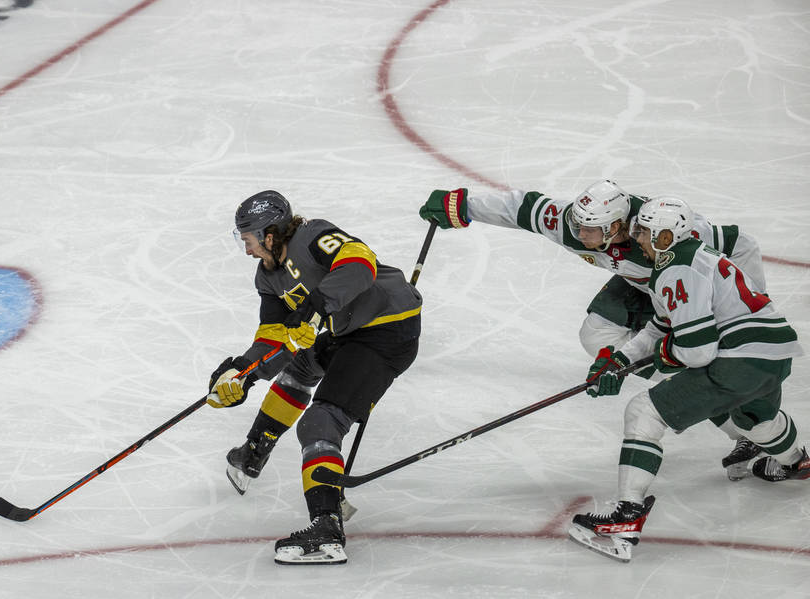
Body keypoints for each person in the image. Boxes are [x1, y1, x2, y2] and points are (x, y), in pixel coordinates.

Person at [418, 181, 767, 480]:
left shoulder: (672, 234)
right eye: (577, 226)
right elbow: (522, 208)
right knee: (596, 333)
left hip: (686, 290)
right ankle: (701, 396)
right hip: (645, 286)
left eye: (590, 231)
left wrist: (750, 309)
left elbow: (744, 244)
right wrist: (460, 205)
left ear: (618, 226)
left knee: (702, 359)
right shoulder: (577, 223)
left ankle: (742, 424)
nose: (578, 235)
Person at [567, 196, 807, 562]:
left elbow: (698, 353)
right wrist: (619, 358)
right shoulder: (691, 256)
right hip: (773, 351)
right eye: (638, 228)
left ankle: (626, 518)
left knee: (644, 413)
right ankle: (795, 461)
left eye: (645, 232)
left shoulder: (675, 268)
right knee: (755, 420)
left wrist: (664, 355)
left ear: (666, 236)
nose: (637, 237)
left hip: (739, 357)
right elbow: (659, 326)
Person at [205, 190, 422, 565]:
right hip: (349, 331)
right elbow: (274, 338)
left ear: (270, 234)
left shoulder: (313, 235)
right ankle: (254, 452)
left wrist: (317, 306)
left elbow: (360, 262)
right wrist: (242, 373)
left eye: (250, 240)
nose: (248, 250)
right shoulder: (268, 278)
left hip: (389, 329)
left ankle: (327, 530)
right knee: (299, 369)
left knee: (320, 423)